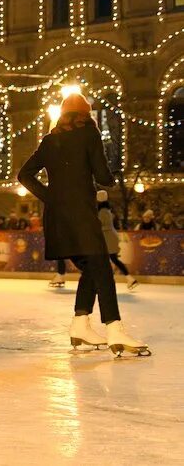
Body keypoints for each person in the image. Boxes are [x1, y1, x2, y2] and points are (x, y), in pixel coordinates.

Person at [19, 93, 149, 356]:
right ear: (86, 114)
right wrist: (109, 179)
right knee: (101, 267)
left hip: (57, 218)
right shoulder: (89, 134)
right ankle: (114, 328)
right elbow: (102, 175)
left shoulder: (49, 139)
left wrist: (51, 197)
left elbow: (24, 175)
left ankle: (80, 324)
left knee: (92, 268)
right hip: (81, 214)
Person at [97, 190, 138, 291]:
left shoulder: (103, 212)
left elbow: (103, 226)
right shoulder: (106, 210)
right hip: (109, 238)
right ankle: (129, 278)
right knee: (112, 259)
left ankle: (107, 282)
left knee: (105, 260)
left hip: (108, 239)